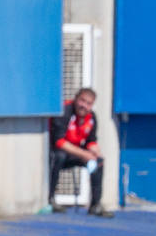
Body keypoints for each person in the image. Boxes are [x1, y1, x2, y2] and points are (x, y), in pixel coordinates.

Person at [48, 87, 114, 217]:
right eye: (82, 101)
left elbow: (91, 141)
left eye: (89, 103)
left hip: (75, 154)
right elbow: (59, 142)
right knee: (59, 156)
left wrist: (96, 153)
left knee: (97, 162)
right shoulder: (65, 111)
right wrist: (84, 154)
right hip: (57, 153)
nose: (84, 105)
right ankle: (50, 199)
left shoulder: (91, 117)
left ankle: (95, 205)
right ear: (76, 99)